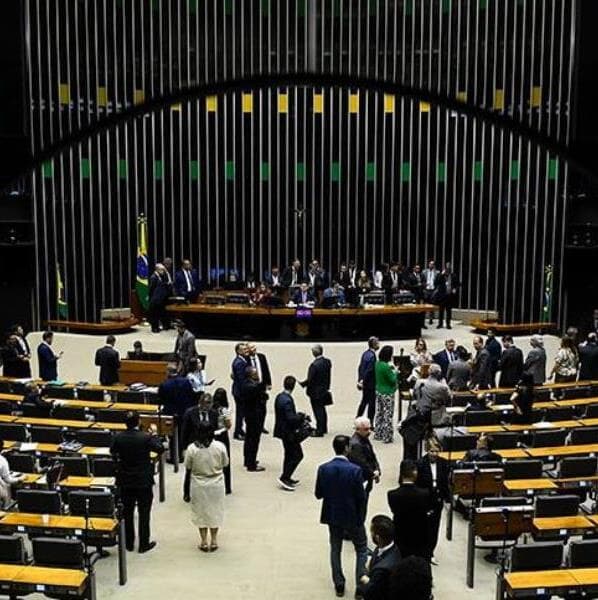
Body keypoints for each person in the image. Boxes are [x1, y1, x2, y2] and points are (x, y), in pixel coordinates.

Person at [315, 435, 368, 598]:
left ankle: (339, 583)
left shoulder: (324, 468)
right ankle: (360, 585)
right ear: (346, 448)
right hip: (352, 515)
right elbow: (361, 497)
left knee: (335, 547)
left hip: (333, 514)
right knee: (361, 548)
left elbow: (318, 494)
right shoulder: (355, 470)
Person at [110, 411, 165, 553]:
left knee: (127, 513)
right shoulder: (146, 437)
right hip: (143, 480)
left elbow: (113, 452)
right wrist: (154, 434)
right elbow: (160, 448)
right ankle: (143, 544)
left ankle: (128, 543)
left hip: (125, 480)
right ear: (138, 422)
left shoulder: (118, 437)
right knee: (144, 513)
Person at [184, 421, 229, 552]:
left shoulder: (192, 448)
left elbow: (188, 466)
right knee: (215, 511)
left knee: (200, 513)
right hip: (216, 483)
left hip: (198, 484)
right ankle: (214, 540)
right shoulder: (220, 446)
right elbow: (225, 463)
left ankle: (203, 541)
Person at [387, 459, 431, 559]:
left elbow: (394, 510)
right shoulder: (424, 494)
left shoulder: (392, 495)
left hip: (400, 535)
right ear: (415, 473)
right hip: (419, 536)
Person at [416, 438, 450, 563]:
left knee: (434, 527)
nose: (434, 454)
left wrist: (447, 499)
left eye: (436, 451)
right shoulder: (420, 464)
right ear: (427, 450)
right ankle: (421, 551)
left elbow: (445, 483)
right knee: (423, 527)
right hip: (424, 499)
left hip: (437, 499)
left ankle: (430, 552)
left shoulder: (444, 463)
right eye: (431, 451)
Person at [356, 515, 401, 600]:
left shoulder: (381, 570)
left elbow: (371, 592)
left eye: (371, 532)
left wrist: (365, 580)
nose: (370, 534)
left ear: (377, 537)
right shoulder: (391, 547)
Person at [274, 376, 306, 491]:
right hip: (289, 433)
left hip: (283, 431)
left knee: (289, 454)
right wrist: (301, 417)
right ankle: (285, 477)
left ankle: (287, 476)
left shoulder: (280, 397)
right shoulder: (287, 400)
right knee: (297, 455)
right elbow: (290, 418)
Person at [158, 365, 196, 461]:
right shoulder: (186, 381)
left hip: (170, 413)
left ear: (168, 372)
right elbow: (191, 395)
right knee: (182, 433)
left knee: (172, 435)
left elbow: (161, 399)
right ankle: (181, 454)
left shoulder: (164, 384)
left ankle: (174, 456)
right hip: (184, 411)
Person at [349, 417, 381, 516]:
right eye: (366, 429)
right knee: (360, 508)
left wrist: (377, 469)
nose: (369, 431)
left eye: (369, 428)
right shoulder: (356, 445)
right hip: (361, 480)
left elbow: (372, 456)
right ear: (358, 429)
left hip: (367, 477)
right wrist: (373, 473)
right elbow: (362, 463)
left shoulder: (363, 439)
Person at [299, 344, 332, 436]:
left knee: (318, 411)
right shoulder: (327, 362)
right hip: (324, 389)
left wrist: (303, 384)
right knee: (322, 410)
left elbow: (310, 379)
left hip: (315, 392)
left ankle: (319, 430)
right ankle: (324, 428)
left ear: (314, 353)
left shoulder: (314, 365)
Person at [242, 366, 266, 472]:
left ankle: (248, 460)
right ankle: (251, 464)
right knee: (254, 440)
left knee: (249, 438)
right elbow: (264, 396)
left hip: (249, 415)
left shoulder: (246, 384)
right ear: (251, 375)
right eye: (255, 373)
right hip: (255, 416)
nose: (257, 374)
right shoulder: (254, 387)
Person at [413, 363, 451, 430]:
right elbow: (448, 399)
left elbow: (415, 395)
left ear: (429, 371)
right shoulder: (442, 387)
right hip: (436, 417)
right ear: (439, 374)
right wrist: (445, 384)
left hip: (420, 414)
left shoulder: (419, 382)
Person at [373, 345, 398, 444]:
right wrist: (396, 372)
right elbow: (392, 380)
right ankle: (387, 436)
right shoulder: (386, 367)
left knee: (380, 413)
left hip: (379, 390)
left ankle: (378, 433)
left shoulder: (377, 364)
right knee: (388, 414)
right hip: (387, 392)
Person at [247, 343, 272, 434]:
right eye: (251, 348)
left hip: (262, 386)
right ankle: (253, 425)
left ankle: (261, 426)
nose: (254, 349)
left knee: (263, 408)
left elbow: (266, 370)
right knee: (253, 408)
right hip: (252, 387)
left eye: (254, 347)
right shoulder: (246, 359)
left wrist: (269, 383)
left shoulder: (261, 357)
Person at [212, 388, 233, 494]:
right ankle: (227, 487)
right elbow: (228, 425)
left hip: (212, 434)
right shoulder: (224, 410)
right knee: (225, 460)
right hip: (222, 435)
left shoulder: (210, 409)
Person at [356, 336, 379, 422]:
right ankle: (370, 421)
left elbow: (360, 368)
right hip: (370, 384)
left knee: (364, 401)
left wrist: (360, 380)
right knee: (371, 404)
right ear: (374, 344)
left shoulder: (365, 354)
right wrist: (363, 380)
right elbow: (369, 370)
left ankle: (358, 418)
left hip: (365, 383)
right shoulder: (372, 356)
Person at [230, 342, 249, 440]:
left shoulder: (242, 360)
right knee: (240, 413)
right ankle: (237, 432)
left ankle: (240, 430)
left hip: (239, 390)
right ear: (238, 351)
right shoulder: (239, 363)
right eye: (244, 349)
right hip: (240, 392)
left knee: (241, 412)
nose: (246, 351)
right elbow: (242, 380)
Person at [0, 439, 25, 507]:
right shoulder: (2, 460)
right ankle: (7, 507)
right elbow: (9, 480)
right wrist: (21, 478)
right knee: (7, 485)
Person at [434, 263, 459, 329]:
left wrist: (455, 289)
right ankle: (440, 324)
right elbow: (436, 282)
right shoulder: (441, 275)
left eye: (449, 268)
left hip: (449, 296)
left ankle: (448, 324)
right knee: (441, 311)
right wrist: (441, 274)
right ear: (444, 269)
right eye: (447, 268)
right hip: (442, 296)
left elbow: (457, 284)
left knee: (448, 311)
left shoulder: (453, 275)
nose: (448, 270)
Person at [148, 263, 171, 333]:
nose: (163, 271)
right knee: (154, 314)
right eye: (162, 270)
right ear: (157, 269)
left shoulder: (160, 276)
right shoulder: (153, 277)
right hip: (155, 299)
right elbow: (151, 288)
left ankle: (159, 326)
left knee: (159, 313)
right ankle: (154, 328)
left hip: (160, 299)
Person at [422, 260, 439, 326]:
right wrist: (423, 288)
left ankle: (431, 319)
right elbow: (422, 280)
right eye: (430, 264)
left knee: (432, 305)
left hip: (433, 290)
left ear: (434, 265)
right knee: (424, 305)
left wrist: (436, 290)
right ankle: (423, 319)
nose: (431, 265)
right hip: (426, 289)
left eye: (432, 264)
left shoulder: (437, 272)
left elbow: (438, 282)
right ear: (428, 264)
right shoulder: (424, 272)